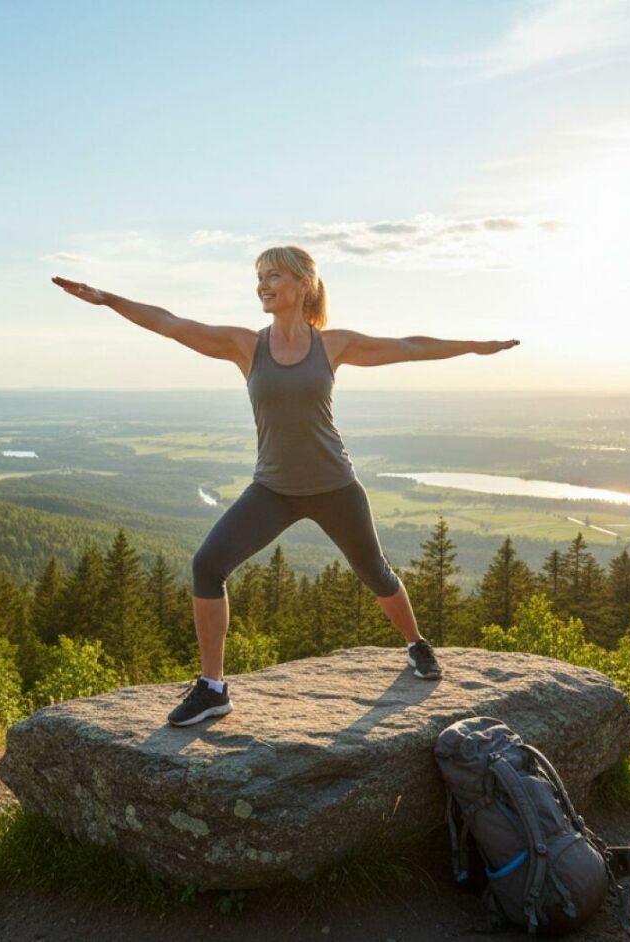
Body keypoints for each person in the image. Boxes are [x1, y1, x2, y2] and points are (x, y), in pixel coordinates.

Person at [51, 246, 520, 726]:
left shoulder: (333, 345)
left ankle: (416, 643)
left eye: (273, 275)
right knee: (207, 566)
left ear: (303, 284)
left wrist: (475, 346)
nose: (263, 284)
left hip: (335, 486)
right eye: (259, 276)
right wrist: (109, 299)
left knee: (375, 572)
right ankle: (213, 688)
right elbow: (171, 323)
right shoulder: (245, 345)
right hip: (273, 490)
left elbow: (410, 347)